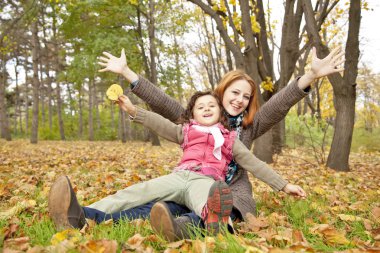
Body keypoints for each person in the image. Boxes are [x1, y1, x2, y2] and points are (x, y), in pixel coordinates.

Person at [48, 46, 344, 240]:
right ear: (222, 91)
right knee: (153, 205)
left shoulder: (248, 128)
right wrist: (127, 74)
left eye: (246, 97)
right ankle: (83, 216)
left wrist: (310, 76)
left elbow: (278, 105)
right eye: (235, 92)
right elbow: (161, 106)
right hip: (187, 182)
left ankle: (185, 229)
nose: (240, 100)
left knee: (219, 211)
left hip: (228, 192)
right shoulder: (196, 119)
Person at [49, 90, 306, 236]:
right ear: (192, 113)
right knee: (134, 193)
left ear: (220, 112)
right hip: (179, 177)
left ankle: (219, 229)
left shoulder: (230, 140)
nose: (206, 109)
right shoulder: (185, 131)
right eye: (200, 106)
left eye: (212, 106)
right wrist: (133, 111)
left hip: (205, 182)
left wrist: (284, 185)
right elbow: (160, 124)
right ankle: (80, 215)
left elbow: (255, 164)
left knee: (210, 204)